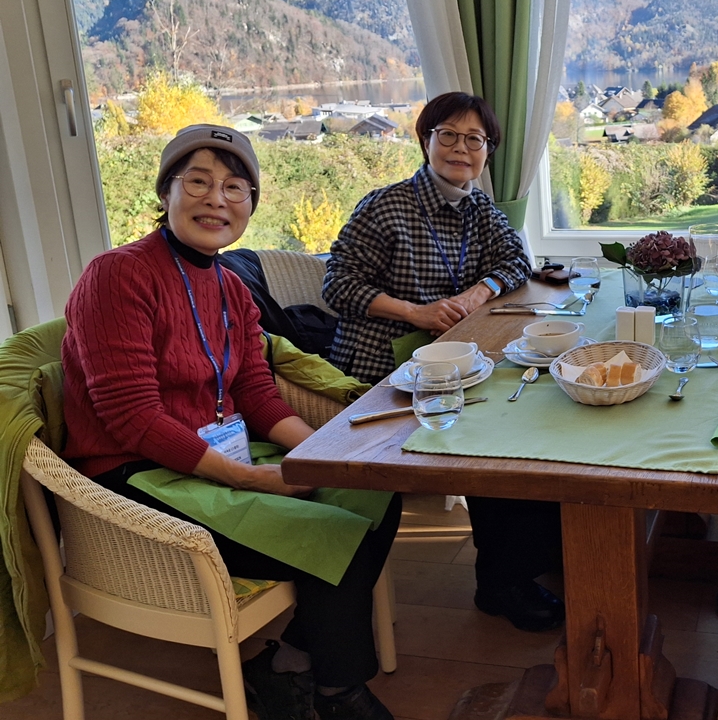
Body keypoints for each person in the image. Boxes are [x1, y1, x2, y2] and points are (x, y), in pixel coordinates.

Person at [61, 125, 400, 720]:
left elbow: (257, 395)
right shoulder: (117, 274)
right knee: (334, 536)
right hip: (136, 474)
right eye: (198, 182)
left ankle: (289, 663)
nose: (216, 199)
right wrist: (249, 479)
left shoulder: (232, 289)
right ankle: (337, 693)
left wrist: (324, 456)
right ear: (166, 192)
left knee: (373, 494)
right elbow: (132, 416)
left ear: (250, 203)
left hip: (215, 457)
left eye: (234, 187)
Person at [322, 91, 563, 632]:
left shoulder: (478, 208)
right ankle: (504, 583)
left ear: (488, 151)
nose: (461, 148)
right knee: (495, 435)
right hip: (383, 369)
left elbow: (515, 259)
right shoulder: (386, 206)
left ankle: (531, 561)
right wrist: (417, 311)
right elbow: (337, 284)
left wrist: (477, 294)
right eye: (448, 135)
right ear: (425, 140)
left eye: (475, 139)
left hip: (450, 363)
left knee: (529, 414)